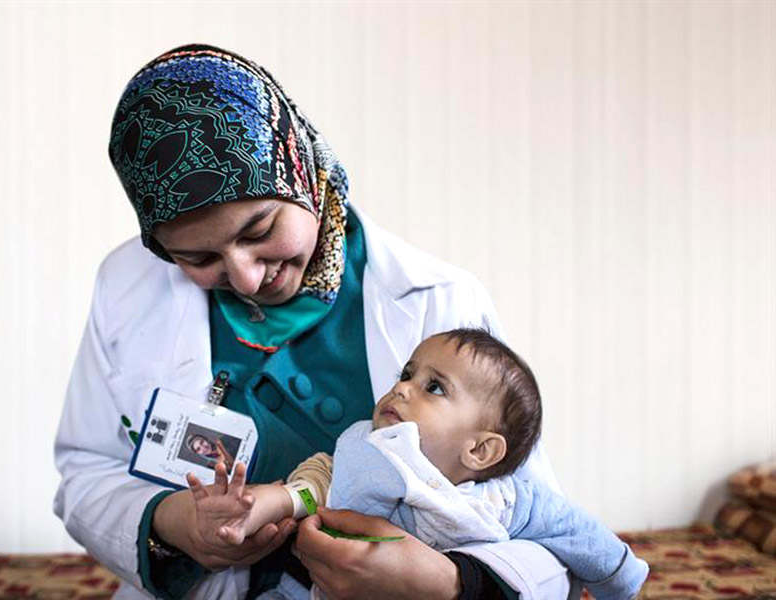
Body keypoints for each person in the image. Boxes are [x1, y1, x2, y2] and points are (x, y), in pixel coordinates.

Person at [53, 44, 572, 599]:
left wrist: (445, 583)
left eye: (259, 230)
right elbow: (86, 469)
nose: (248, 277)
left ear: (301, 170)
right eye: (199, 259)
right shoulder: (127, 287)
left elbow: (538, 529)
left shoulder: (439, 302)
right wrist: (167, 523)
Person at [188, 328, 649, 600]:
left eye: (435, 388)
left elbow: (580, 536)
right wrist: (252, 506)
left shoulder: (507, 500)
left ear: (480, 451)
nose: (403, 388)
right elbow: (305, 492)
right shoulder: (363, 455)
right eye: (406, 374)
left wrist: (621, 582)